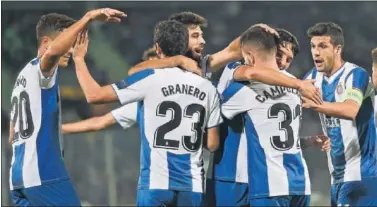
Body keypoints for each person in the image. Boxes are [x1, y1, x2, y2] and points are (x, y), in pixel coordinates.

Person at [72, 19, 223, 206]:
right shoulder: (208, 88)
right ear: (185, 47)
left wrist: (78, 59)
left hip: (155, 183)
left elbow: (94, 95)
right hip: (192, 186)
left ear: (158, 49)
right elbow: (213, 143)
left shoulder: (150, 78)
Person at [8, 9, 126, 206]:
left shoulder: (22, 77)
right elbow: (53, 52)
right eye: (67, 42)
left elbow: (12, 135)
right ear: (46, 42)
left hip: (17, 177)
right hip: (43, 173)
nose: (71, 50)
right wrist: (88, 17)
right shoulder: (41, 70)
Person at [217, 27, 311, 207]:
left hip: (263, 176)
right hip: (231, 171)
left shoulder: (289, 85)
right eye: (279, 55)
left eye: (289, 59)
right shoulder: (238, 71)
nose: (282, 63)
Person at [302, 22, 377, 206]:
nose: (316, 52)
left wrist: (315, 105)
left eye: (322, 46)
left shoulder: (355, 75)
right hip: (337, 176)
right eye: (313, 46)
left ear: (337, 49)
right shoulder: (312, 78)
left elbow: (350, 110)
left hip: (363, 174)